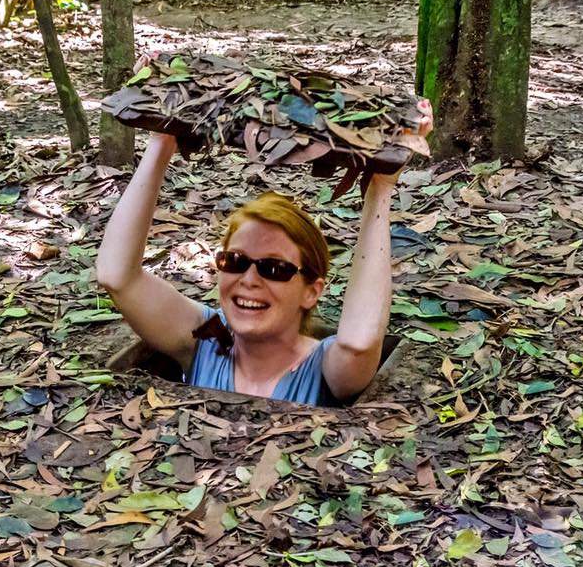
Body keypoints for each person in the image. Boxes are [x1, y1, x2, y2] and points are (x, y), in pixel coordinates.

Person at [96, 100, 433, 407]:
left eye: (274, 268)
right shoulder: (204, 338)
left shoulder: (325, 368)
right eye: (235, 261)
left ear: (311, 291)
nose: (249, 279)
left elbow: (359, 342)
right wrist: (161, 141)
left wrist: (381, 187)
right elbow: (117, 276)